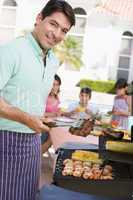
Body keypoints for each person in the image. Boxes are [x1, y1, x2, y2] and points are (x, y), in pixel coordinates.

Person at [0, 0, 75, 199]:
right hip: (5, 140)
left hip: (33, 143)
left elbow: (30, 101)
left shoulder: (52, 60)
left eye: (64, 31)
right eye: (53, 24)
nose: (57, 34)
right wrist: (25, 119)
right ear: (39, 18)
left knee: (28, 195)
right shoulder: (11, 51)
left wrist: (64, 121)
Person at [41, 74, 62, 153]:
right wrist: (53, 114)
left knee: (55, 139)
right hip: (43, 124)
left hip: (51, 125)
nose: (55, 87)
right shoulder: (44, 96)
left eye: (57, 85)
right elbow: (39, 113)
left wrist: (61, 113)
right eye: (53, 84)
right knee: (50, 140)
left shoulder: (56, 97)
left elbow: (56, 112)